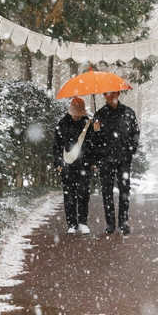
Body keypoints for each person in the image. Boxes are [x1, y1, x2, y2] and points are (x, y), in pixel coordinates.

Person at [92, 91, 139, 234]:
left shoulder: (128, 112)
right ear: (104, 96)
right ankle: (110, 224)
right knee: (107, 191)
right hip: (105, 159)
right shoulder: (99, 115)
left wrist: (131, 150)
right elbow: (94, 141)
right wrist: (96, 131)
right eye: (106, 94)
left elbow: (135, 133)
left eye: (112, 94)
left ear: (118, 94)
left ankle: (123, 222)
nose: (110, 96)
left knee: (125, 190)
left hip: (124, 158)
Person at [53, 97, 95, 234]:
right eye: (75, 112)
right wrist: (58, 163)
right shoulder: (63, 123)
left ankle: (83, 222)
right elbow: (57, 145)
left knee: (84, 193)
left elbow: (94, 144)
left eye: (79, 113)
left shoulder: (88, 123)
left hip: (85, 164)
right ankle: (71, 224)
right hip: (67, 164)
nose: (77, 115)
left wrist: (93, 161)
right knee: (69, 195)